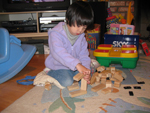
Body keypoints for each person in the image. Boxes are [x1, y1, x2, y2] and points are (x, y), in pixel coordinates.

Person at [45, 1, 94, 87]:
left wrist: (86, 70)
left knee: (85, 78)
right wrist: (77, 65)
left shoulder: (81, 37)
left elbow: (84, 56)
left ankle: (79, 73)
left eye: (84, 28)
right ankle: (49, 72)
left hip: (75, 67)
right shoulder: (56, 33)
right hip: (58, 67)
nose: (80, 31)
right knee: (67, 81)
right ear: (68, 19)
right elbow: (59, 53)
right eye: (78, 26)